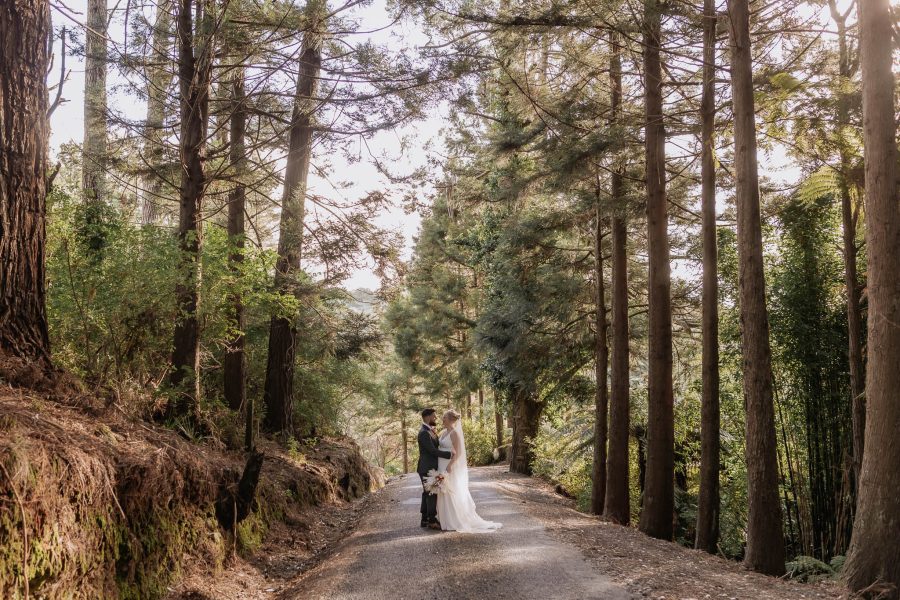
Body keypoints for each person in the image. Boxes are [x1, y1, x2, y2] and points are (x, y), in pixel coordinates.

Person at [435, 409, 502, 533]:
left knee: (450, 490)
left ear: (450, 420)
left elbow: (459, 452)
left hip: (450, 466)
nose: (442, 420)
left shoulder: (454, 433)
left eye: (444, 418)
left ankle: (454, 520)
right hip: (441, 465)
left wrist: (450, 465)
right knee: (442, 490)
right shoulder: (443, 432)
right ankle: (443, 519)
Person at [416, 408, 451, 529]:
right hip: (427, 467)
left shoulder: (429, 430)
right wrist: (449, 454)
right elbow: (432, 450)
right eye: (434, 416)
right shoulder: (424, 433)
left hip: (429, 466)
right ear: (427, 417)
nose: (436, 418)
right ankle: (431, 520)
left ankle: (424, 519)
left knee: (427, 492)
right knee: (431, 492)